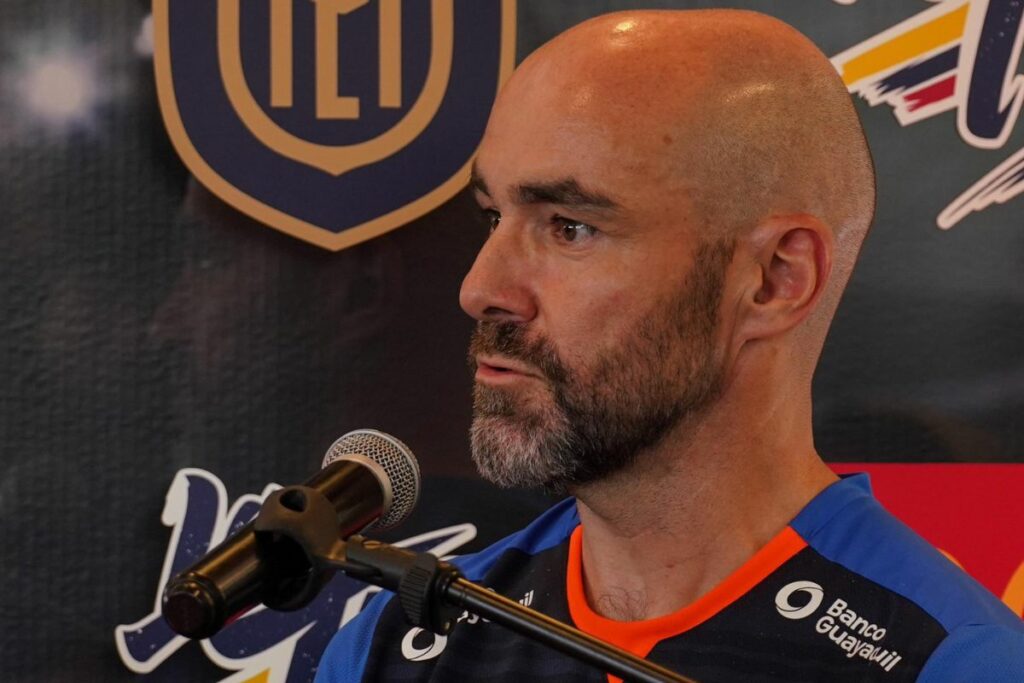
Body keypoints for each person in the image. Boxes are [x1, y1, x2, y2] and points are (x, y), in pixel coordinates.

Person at [316, 9, 1024, 682]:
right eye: (494, 216)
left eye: (569, 226)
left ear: (775, 279)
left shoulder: (947, 661)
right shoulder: (400, 646)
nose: (480, 288)